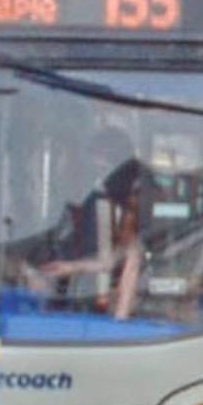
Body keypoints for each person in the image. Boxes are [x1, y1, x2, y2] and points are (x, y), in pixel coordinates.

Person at [22, 127, 150, 320]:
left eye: (102, 166)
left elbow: (127, 257)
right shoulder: (90, 200)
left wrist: (120, 318)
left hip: (92, 300)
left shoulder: (116, 201)